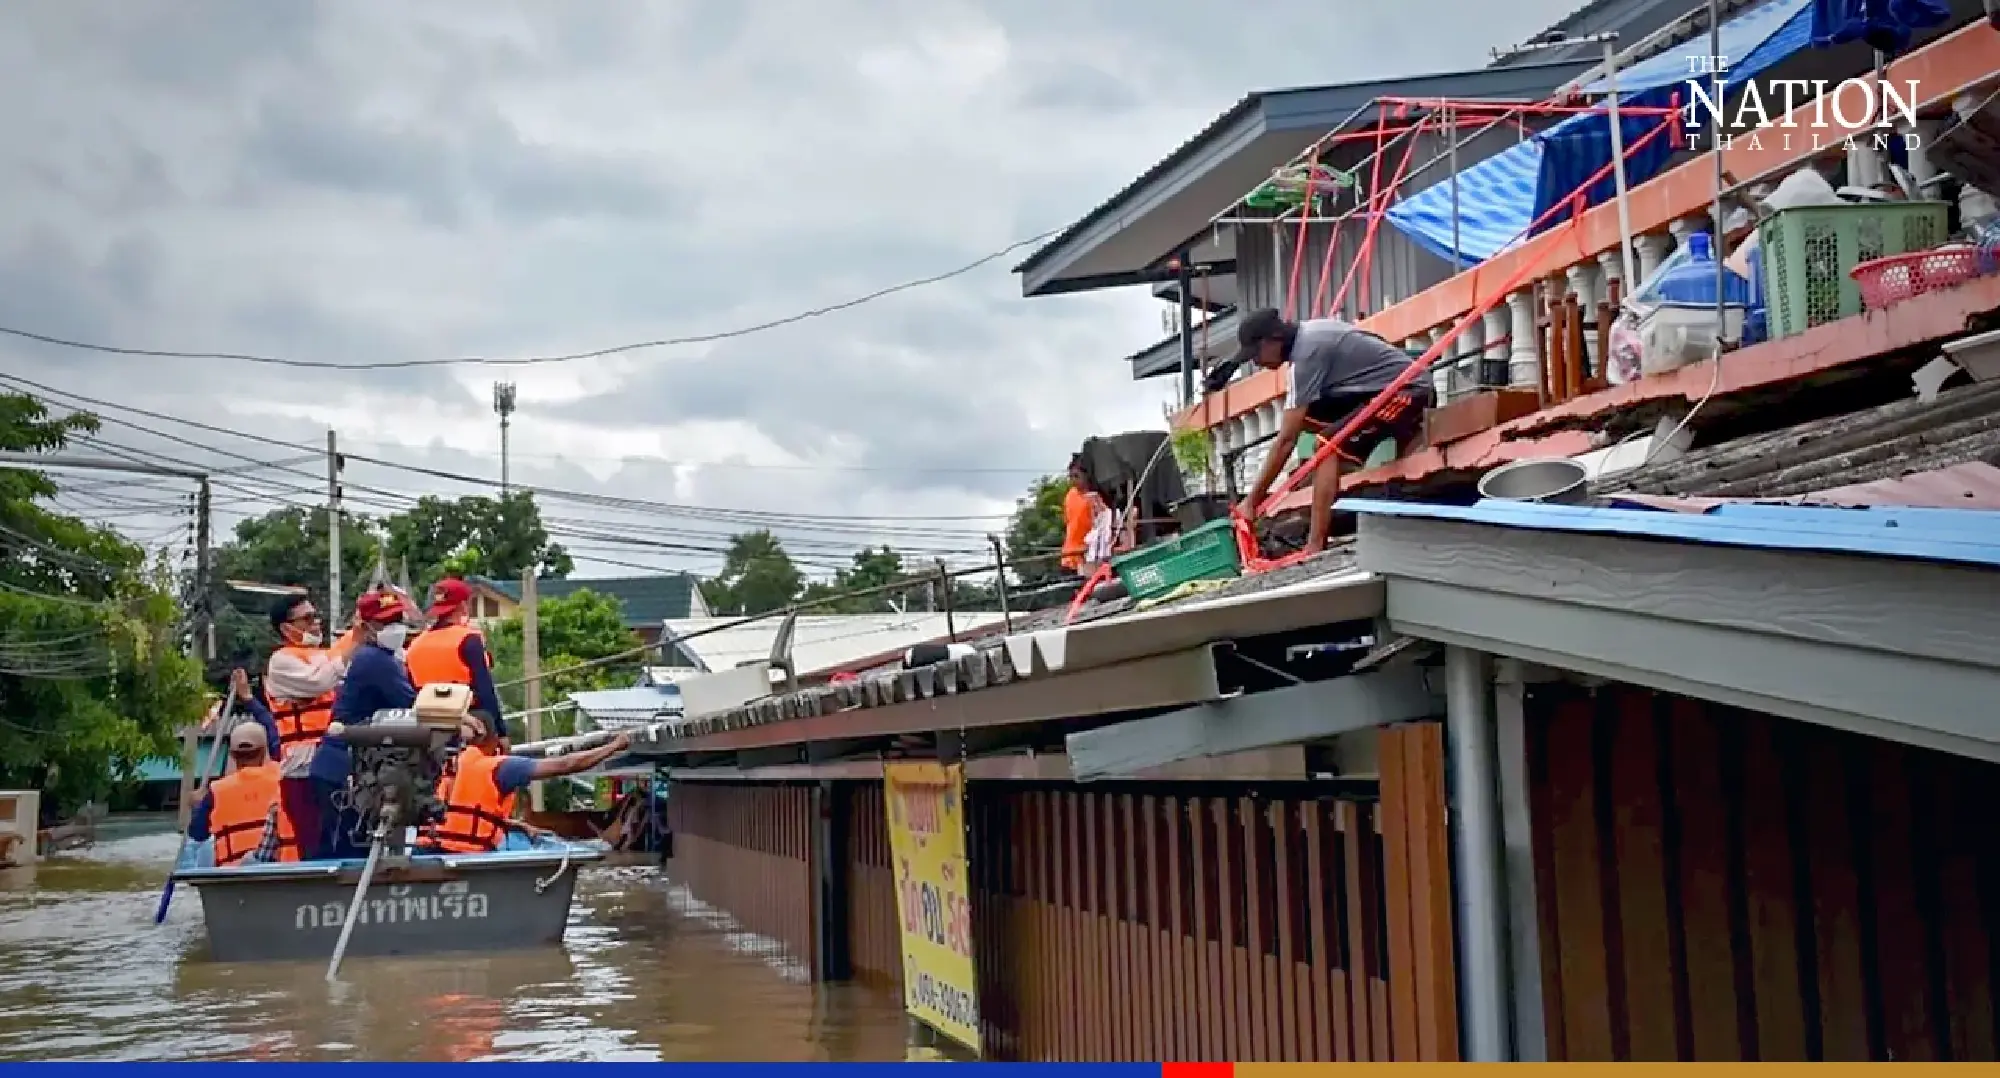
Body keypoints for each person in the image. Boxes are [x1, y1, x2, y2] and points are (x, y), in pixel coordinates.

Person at [1214, 308, 1432, 554]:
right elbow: (1293, 426)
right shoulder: (1308, 335)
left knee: (1327, 446)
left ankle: (1316, 543)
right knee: (1305, 420)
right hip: (1373, 391)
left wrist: (1252, 502)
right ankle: (1335, 475)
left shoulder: (1307, 354)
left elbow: (1286, 440)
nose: (1256, 362)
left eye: (1257, 354)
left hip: (1407, 391)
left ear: (1274, 339)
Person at [308, 589, 420, 859]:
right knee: (343, 853)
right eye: (385, 623)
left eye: (397, 620)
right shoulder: (375, 661)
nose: (394, 628)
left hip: (345, 765)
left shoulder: (385, 658)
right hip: (343, 769)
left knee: (344, 847)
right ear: (367, 628)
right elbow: (414, 705)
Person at [424, 715, 633, 854]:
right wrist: (614, 746)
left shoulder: (440, 764)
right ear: (494, 740)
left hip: (428, 849)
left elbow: (454, 813)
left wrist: (516, 824)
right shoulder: (500, 767)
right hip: (467, 853)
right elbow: (568, 763)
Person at [404, 578, 508, 742]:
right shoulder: (468, 639)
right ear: (463, 605)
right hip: (470, 721)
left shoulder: (415, 645)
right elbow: (485, 690)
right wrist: (501, 733)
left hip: (426, 724)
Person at [186, 722, 298, 866]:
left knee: (201, 851)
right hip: (283, 870)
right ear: (264, 751)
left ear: (232, 755)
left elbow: (197, 833)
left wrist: (198, 807)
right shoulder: (285, 779)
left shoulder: (216, 791)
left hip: (232, 876)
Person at [262, 593, 359, 756]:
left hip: (331, 747)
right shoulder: (280, 661)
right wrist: (356, 639)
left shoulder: (322, 654)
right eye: (308, 618)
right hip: (301, 753)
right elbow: (319, 681)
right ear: (286, 628)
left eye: (316, 616)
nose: (316, 622)